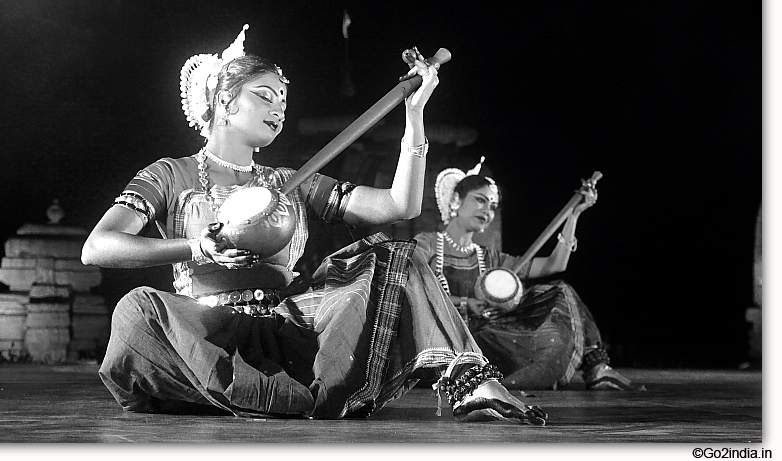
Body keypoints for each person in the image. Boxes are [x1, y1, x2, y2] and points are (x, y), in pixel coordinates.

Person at [81, 24, 548, 424]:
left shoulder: (291, 181)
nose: (278, 109)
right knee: (138, 313)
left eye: (283, 100)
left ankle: (473, 385)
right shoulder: (170, 174)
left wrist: (415, 114)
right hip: (207, 330)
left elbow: (399, 206)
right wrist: (197, 249)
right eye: (263, 96)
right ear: (224, 101)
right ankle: (225, 387)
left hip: (292, 335)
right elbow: (98, 247)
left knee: (396, 254)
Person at [413, 160, 645, 392]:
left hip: (487, 338)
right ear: (456, 200)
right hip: (445, 339)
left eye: (493, 206)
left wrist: (573, 215)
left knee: (558, 292)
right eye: (480, 200)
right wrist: (465, 303)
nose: (487, 211)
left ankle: (595, 368)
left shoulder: (490, 258)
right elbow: (414, 287)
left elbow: (554, 265)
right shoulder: (427, 244)